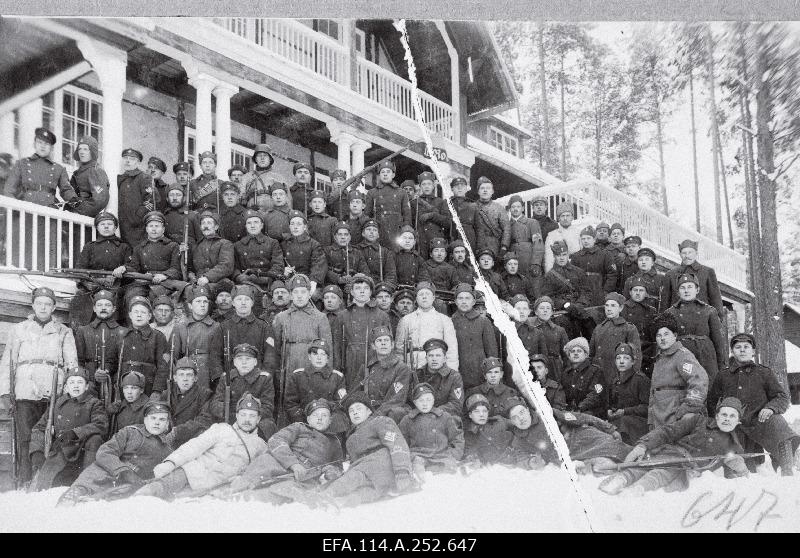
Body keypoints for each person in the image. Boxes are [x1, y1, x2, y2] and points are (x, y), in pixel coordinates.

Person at [0, 286, 79, 483]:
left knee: (50, 434)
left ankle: (46, 479)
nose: (43, 307)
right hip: (25, 389)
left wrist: (69, 393)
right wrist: (5, 393)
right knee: (25, 436)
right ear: (33, 305)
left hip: (53, 391)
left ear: (53, 308)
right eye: (39, 303)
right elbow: (7, 362)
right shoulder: (18, 330)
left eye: (48, 304)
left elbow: (72, 364)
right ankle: (26, 478)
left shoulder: (63, 332)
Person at [599, 397, 750, 496]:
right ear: (716, 416)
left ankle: (638, 489)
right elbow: (668, 431)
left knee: (662, 475)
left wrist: (741, 469)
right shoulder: (698, 421)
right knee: (647, 466)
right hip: (672, 453)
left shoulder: (735, 446)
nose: (727, 419)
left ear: (738, 422)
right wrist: (643, 445)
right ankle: (621, 480)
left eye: (732, 416)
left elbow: (733, 479)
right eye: (724, 415)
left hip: (687, 470)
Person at [134, 393, 268, 499]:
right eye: (243, 414)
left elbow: (258, 471)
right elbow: (193, 447)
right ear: (237, 415)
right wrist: (170, 463)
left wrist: (242, 479)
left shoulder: (261, 446)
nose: (246, 419)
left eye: (252, 416)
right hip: (190, 473)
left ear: (258, 419)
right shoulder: (221, 429)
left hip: (217, 487)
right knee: (153, 492)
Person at [708, 333, 798, 475]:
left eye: (746, 347)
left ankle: (786, 469)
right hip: (734, 426)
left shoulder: (764, 373)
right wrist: (719, 419)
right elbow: (712, 402)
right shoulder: (723, 375)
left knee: (778, 423)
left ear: (753, 351)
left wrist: (770, 408)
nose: (742, 350)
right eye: (738, 347)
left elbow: (781, 397)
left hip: (759, 421)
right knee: (738, 471)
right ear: (732, 351)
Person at [56, 400, 173, 506]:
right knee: (90, 478)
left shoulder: (167, 449)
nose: (157, 423)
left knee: (120, 497)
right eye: (153, 418)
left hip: (129, 483)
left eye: (162, 419)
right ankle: (74, 495)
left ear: (167, 423)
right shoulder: (130, 432)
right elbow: (105, 452)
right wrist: (122, 470)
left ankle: (94, 500)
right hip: (108, 470)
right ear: (145, 419)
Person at [227, 399, 345, 498]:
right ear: (308, 419)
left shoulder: (334, 442)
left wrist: (332, 471)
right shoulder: (298, 427)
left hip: (304, 476)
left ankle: (250, 499)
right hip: (281, 463)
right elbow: (277, 440)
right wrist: (293, 464)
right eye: (315, 415)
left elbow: (338, 466)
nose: (319, 418)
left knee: (282, 491)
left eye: (324, 415)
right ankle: (233, 491)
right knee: (264, 461)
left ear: (330, 421)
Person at [320, 391, 415, 506]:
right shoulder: (350, 438)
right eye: (351, 411)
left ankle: (322, 496)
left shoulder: (380, 422)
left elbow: (396, 444)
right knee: (359, 495)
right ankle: (334, 504)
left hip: (381, 464)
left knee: (352, 478)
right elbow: (355, 463)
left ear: (369, 411)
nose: (355, 413)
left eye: (359, 408)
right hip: (371, 476)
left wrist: (402, 471)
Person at [28, 368, 107, 492]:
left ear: (86, 386)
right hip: (61, 452)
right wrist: (36, 452)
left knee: (95, 439)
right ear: (66, 387)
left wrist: (75, 433)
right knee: (48, 489)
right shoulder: (57, 403)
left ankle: (87, 483)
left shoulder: (93, 403)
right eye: (72, 382)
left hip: (83, 454)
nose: (76, 386)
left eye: (80, 382)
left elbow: (100, 425)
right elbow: (39, 428)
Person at [273, 274, 333, 403]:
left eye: (303, 292)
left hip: (312, 363)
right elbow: (276, 349)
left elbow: (328, 350)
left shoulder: (320, 317)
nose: (299, 296)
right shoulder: (281, 318)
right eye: (296, 292)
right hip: (289, 362)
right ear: (290, 295)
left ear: (309, 294)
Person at [664, 273, 726, 386]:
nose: (686, 290)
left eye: (690, 287)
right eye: (682, 288)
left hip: (705, 357)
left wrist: (722, 366)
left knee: (708, 388)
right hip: (681, 356)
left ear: (697, 290)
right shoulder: (670, 313)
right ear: (678, 292)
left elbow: (719, 343)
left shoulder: (709, 311)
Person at [205, 343, 277, 440]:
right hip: (230, 420)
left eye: (248, 359)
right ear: (234, 362)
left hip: (253, 422)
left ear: (255, 362)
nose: (244, 363)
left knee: (268, 426)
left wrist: (246, 417)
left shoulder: (264, 379)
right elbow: (215, 404)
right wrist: (234, 415)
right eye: (240, 359)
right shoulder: (226, 378)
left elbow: (267, 408)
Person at [649, 313, 708, 430]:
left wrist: (688, 408)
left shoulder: (682, 355)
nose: (662, 338)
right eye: (659, 335)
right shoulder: (659, 358)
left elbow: (700, 380)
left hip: (674, 414)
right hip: (659, 415)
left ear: (674, 335)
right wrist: (651, 419)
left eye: (666, 334)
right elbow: (654, 391)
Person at [331, 274, 391, 390]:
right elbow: (336, 347)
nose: (362, 292)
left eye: (366, 288)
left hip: (375, 362)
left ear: (370, 292)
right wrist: (338, 370)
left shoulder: (381, 316)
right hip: (350, 363)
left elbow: (388, 346)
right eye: (358, 288)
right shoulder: (342, 316)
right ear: (352, 292)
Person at [398, 383, 464, 478]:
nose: (425, 403)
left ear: (433, 400)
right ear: (415, 402)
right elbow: (402, 443)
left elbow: (457, 438)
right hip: (419, 456)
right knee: (419, 476)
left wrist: (453, 454)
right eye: (421, 400)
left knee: (449, 476)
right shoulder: (407, 420)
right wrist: (411, 456)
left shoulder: (444, 417)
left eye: (428, 399)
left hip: (442, 455)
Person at [284, 339, 348, 433]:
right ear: (309, 357)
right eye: (315, 354)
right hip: (305, 420)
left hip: (328, 423)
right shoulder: (297, 376)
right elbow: (291, 404)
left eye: (323, 354)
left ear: (328, 358)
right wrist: (305, 420)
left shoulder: (337, 377)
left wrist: (325, 420)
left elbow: (340, 404)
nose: (319, 358)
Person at [74, 289, 127, 399]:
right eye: (99, 305)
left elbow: (122, 362)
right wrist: (86, 378)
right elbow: (79, 360)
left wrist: (107, 371)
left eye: (107, 305)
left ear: (113, 309)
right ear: (94, 308)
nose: (103, 308)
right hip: (88, 382)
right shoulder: (83, 331)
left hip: (112, 382)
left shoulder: (123, 332)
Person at [4, 126, 75, 208]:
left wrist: (77, 202)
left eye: (47, 144)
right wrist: (16, 208)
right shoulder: (21, 164)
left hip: (49, 212)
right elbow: (9, 190)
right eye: (40, 142)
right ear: (34, 144)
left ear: (51, 148)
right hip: (25, 210)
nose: (43, 146)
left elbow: (67, 191)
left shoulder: (59, 169)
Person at [123, 211, 183, 306]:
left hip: (165, 282)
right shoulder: (139, 248)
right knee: (131, 295)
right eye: (151, 226)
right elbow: (134, 267)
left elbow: (176, 269)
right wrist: (124, 268)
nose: (154, 229)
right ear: (146, 229)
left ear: (163, 229)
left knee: (154, 296)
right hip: (144, 282)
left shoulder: (173, 246)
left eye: (157, 226)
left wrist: (164, 276)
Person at [395, 282, 458, 371]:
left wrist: (451, 373)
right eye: (421, 294)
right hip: (413, 367)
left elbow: (451, 350)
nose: (424, 297)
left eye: (427, 294)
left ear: (433, 298)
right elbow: (399, 350)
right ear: (416, 299)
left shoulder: (444, 320)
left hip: (437, 367)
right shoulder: (406, 320)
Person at [353, 326, 413, 420]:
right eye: (379, 341)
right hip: (368, 410)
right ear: (373, 346)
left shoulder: (401, 368)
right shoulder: (367, 367)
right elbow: (355, 393)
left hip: (388, 413)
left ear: (392, 345)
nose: (383, 343)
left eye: (386, 340)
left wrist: (375, 416)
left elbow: (396, 399)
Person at [172, 285, 224, 391]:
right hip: (187, 369)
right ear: (190, 306)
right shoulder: (181, 327)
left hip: (209, 370)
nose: (202, 305)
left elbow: (219, 356)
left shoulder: (216, 327)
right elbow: (174, 357)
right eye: (198, 302)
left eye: (205, 302)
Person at [75, 212, 132, 306]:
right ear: (97, 227)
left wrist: (124, 268)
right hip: (92, 285)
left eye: (109, 224)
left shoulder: (124, 247)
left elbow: (131, 266)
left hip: (114, 286)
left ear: (115, 227)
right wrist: (88, 282)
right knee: (80, 296)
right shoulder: (89, 247)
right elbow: (79, 269)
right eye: (102, 224)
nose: (106, 227)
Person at [541, 240, 594, 340]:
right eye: (558, 255)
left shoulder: (578, 272)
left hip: (580, 309)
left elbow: (586, 291)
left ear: (568, 255)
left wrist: (580, 304)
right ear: (554, 256)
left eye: (564, 254)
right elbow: (547, 297)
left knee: (590, 327)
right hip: (563, 312)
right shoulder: (549, 276)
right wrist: (565, 304)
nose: (561, 258)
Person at [118, 296, 170, 397]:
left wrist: (157, 390)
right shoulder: (121, 335)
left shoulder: (157, 336)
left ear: (149, 316)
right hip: (124, 386)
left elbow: (163, 367)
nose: (139, 315)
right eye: (136, 312)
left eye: (143, 312)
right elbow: (113, 362)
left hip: (147, 386)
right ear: (130, 315)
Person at [451, 283, 498, 390]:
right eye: (460, 298)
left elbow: (492, 352)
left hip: (479, 375)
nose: (464, 301)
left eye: (467, 298)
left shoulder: (483, 322)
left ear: (473, 301)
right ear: (455, 301)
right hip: (458, 374)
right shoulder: (450, 322)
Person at [222, 284, 278, 372]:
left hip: (258, 379)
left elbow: (270, 355)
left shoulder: (264, 327)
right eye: (239, 299)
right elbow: (215, 355)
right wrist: (221, 377)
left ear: (252, 303)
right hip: (231, 379)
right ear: (233, 303)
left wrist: (265, 376)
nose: (243, 303)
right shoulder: (223, 327)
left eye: (247, 299)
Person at [589, 292, 641, 385]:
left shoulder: (629, 328)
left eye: (613, 305)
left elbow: (636, 357)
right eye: (607, 305)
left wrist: (631, 379)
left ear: (620, 308)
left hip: (619, 377)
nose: (609, 309)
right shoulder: (598, 328)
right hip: (599, 377)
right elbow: (591, 355)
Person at [663, 239, 724, 318]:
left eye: (690, 252)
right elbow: (665, 302)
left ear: (696, 253)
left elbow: (716, 299)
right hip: (677, 321)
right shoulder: (670, 274)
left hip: (702, 321)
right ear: (680, 254)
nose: (687, 256)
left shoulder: (707, 272)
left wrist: (717, 320)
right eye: (684, 253)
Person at [407, 338, 465, 419]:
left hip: (442, 417)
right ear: (426, 358)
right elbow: (409, 400)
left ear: (444, 358)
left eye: (438, 355)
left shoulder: (454, 377)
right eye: (431, 355)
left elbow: (456, 404)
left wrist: (433, 412)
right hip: (419, 417)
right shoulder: (417, 375)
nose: (434, 359)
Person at [162, 357, 214, 447]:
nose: (185, 379)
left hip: (191, 440)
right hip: (168, 440)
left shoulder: (204, 394)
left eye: (189, 375)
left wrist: (178, 431)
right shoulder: (167, 394)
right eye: (181, 374)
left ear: (195, 378)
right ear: (175, 378)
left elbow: (204, 420)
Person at [233, 209, 283, 297]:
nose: (252, 226)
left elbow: (278, 265)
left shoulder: (272, 243)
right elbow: (234, 267)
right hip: (245, 283)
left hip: (267, 282)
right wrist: (238, 277)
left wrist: (265, 278)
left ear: (261, 225)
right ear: (245, 226)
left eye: (256, 222)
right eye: (249, 223)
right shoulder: (238, 245)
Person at [606, 343, 650, 444]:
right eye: (618, 358)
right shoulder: (615, 381)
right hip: (620, 421)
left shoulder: (641, 380)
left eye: (626, 358)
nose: (621, 361)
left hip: (637, 424)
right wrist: (610, 411)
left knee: (622, 424)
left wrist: (625, 411)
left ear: (633, 361)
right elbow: (612, 404)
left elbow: (647, 408)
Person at [365, 160, 412, 248]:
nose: (385, 174)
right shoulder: (372, 193)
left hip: (397, 233)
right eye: (382, 172)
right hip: (379, 233)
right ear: (379, 175)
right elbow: (367, 215)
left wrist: (405, 233)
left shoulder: (402, 192)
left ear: (393, 175)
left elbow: (407, 216)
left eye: (388, 172)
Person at [189, 210, 235, 295]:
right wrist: (191, 276)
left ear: (216, 226)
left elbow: (226, 266)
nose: (206, 226)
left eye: (209, 223)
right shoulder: (196, 246)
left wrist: (207, 277)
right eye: (203, 223)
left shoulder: (225, 244)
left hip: (220, 282)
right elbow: (190, 268)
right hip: (198, 283)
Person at [571, 226, 618, 307]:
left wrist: (605, 292)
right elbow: (572, 276)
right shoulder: (576, 257)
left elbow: (612, 275)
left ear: (594, 239)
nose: (586, 241)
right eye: (583, 239)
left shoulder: (605, 255)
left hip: (599, 293)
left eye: (588, 238)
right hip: (581, 295)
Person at [462, 393, 514, 466]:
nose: (481, 414)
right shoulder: (468, 434)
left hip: (512, 462)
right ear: (470, 415)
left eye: (484, 411)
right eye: (477, 412)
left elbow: (518, 426)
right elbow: (469, 454)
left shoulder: (499, 420)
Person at [621, 276, 658, 376]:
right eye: (635, 290)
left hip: (646, 351)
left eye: (641, 290)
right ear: (630, 292)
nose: (638, 293)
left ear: (646, 293)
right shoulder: (623, 308)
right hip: (627, 350)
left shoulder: (651, 311)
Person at [560, 337, 606, 417]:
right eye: (572, 351)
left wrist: (579, 408)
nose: (575, 353)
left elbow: (595, 394)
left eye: (579, 351)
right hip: (570, 412)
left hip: (591, 412)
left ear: (586, 354)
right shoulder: (566, 373)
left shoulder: (595, 371)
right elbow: (561, 394)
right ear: (569, 355)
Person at [117, 148, 154, 247]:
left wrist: (137, 217)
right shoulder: (121, 179)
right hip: (123, 226)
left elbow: (150, 200)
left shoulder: (143, 177)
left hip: (138, 227)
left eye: (132, 159)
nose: (128, 161)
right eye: (125, 158)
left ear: (138, 163)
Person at [282, 210, 328, 288]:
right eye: (292, 224)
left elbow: (318, 265)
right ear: (289, 226)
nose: (295, 227)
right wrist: (283, 270)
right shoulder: (283, 244)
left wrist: (313, 282)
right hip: (289, 280)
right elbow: (278, 263)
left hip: (307, 281)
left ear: (305, 227)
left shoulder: (313, 244)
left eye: (299, 224)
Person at [505, 396, 553, 470]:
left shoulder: (547, 416)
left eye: (522, 412)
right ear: (512, 422)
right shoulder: (517, 442)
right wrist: (530, 462)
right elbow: (521, 458)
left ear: (527, 410)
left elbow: (576, 420)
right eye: (515, 418)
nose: (520, 418)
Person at [67, 136, 110, 217]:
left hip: (86, 217)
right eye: (80, 149)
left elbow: (100, 200)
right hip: (73, 215)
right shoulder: (77, 173)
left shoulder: (95, 171)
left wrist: (81, 211)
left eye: (85, 149)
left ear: (92, 151)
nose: (81, 152)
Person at [414, 171, 451, 260]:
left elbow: (447, 223)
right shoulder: (414, 203)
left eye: (429, 184)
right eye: (424, 184)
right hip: (420, 242)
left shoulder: (441, 202)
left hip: (437, 243)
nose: (427, 186)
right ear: (420, 186)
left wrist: (432, 215)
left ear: (433, 185)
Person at [531, 296, 569, 381]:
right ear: (536, 312)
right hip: (535, 368)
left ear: (552, 312)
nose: (545, 310)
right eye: (542, 308)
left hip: (554, 369)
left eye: (548, 308)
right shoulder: (530, 329)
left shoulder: (559, 330)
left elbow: (566, 355)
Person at [507, 194, 545, 280]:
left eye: (518, 206)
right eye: (513, 207)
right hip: (514, 265)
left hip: (529, 262)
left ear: (523, 208)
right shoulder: (507, 226)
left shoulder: (532, 223)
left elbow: (538, 244)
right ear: (509, 209)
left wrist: (536, 263)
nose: (515, 209)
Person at [474, 177, 511, 261]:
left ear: (492, 191)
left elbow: (507, 229)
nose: (485, 190)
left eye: (488, 188)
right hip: (477, 246)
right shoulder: (472, 207)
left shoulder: (499, 208)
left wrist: (504, 247)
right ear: (478, 191)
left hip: (495, 247)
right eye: (482, 188)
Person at [242, 143, 285, 214]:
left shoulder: (278, 178)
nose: (262, 158)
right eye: (259, 155)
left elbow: (287, 200)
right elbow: (240, 198)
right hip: (252, 214)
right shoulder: (246, 177)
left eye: (265, 155)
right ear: (255, 159)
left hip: (273, 213)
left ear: (270, 159)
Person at [325, 223, 370, 289]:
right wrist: (338, 279)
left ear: (350, 237)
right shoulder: (327, 251)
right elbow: (324, 270)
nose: (343, 237)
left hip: (353, 287)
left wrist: (354, 282)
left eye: (346, 234)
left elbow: (365, 272)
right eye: (340, 234)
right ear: (335, 237)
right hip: (332, 287)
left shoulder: (357, 252)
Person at [623, 247, 666, 312]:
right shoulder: (630, 280)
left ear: (652, 263)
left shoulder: (661, 279)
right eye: (640, 260)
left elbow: (665, 301)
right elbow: (626, 301)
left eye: (647, 260)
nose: (643, 262)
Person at [107, 371, 149, 436]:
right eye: (126, 388)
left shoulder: (148, 408)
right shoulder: (119, 406)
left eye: (134, 388)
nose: (129, 392)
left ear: (141, 390)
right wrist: (108, 412)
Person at [543, 202, 582, 272]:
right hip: (559, 272)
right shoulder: (552, 235)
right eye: (562, 216)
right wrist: (550, 274)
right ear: (558, 218)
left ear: (572, 217)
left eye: (568, 215)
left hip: (576, 270)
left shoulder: (579, 233)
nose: (565, 218)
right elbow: (549, 258)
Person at [358, 219, 397, 285]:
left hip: (380, 289)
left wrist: (383, 288)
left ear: (378, 235)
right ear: (363, 233)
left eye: (375, 230)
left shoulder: (385, 252)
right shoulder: (356, 250)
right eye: (368, 229)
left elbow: (391, 274)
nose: (371, 232)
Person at [448, 177, 477, 249]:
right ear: (452, 189)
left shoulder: (473, 205)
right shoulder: (446, 203)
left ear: (466, 188)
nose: (459, 188)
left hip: (469, 242)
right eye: (456, 186)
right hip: (451, 240)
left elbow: (478, 228)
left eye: (462, 186)